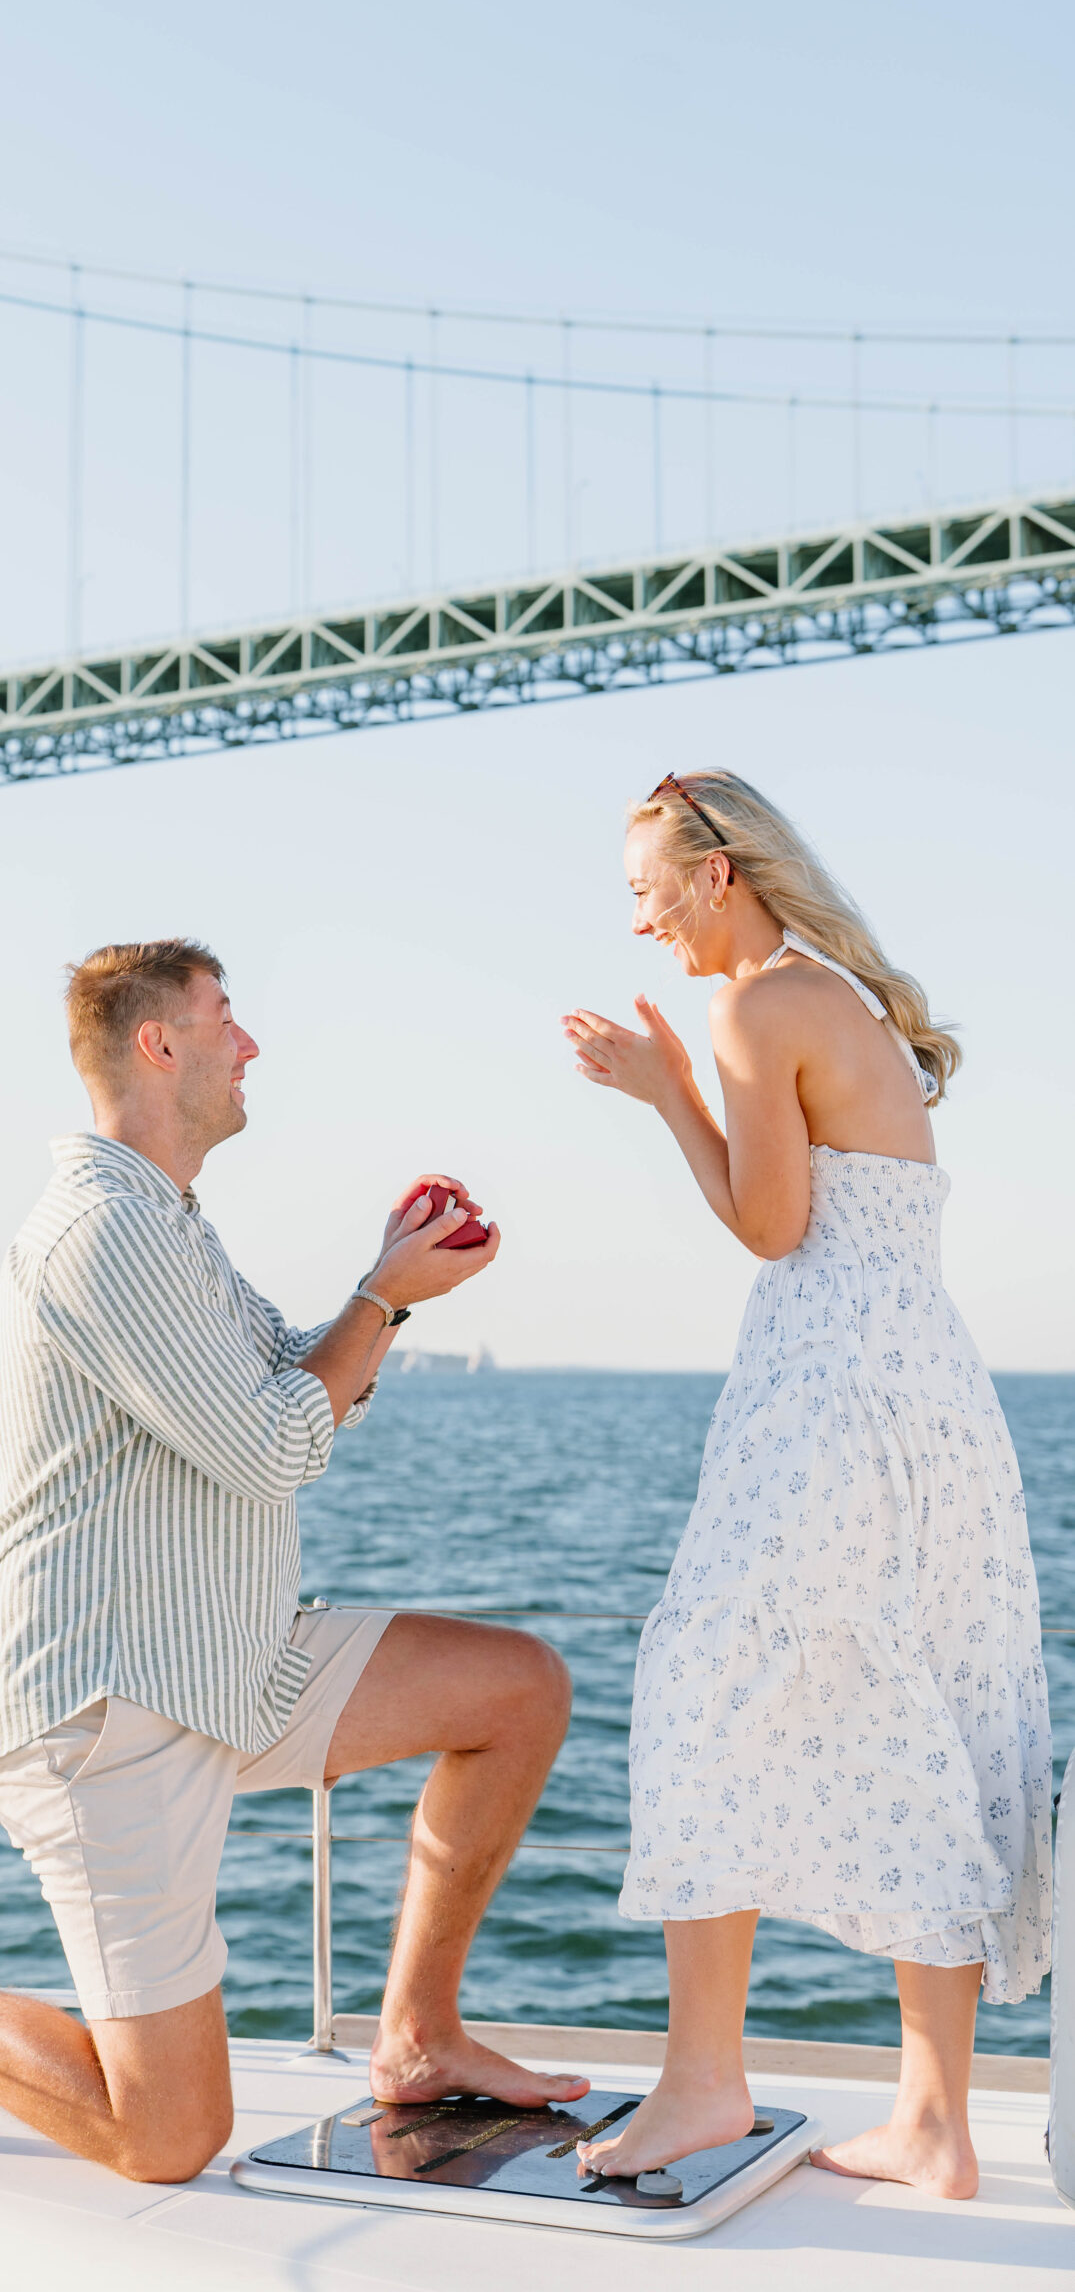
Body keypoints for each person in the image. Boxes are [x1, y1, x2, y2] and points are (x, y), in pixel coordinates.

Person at [0, 937, 583, 2180]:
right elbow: (276, 1447)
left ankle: (418, 2041)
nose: (251, 1043)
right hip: (109, 1708)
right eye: (227, 1018)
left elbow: (297, 1384)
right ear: (160, 1044)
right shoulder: (102, 1233)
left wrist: (391, 1278)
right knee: (169, 2137)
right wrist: (381, 1298)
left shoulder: (171, 1224)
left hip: (226, 1663)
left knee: (517, 1688)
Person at [561, 770, 1052, 2199]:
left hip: (830, 1393)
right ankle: (932, 2123)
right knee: (918, 1700)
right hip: (923, 1396)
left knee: (699, 1680)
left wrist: (662, 1094)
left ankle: (704, 2085)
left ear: (715, 873)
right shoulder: (823, 992)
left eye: (644, 883)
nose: (636, 913)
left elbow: (773, 1228)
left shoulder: (757, 1003)